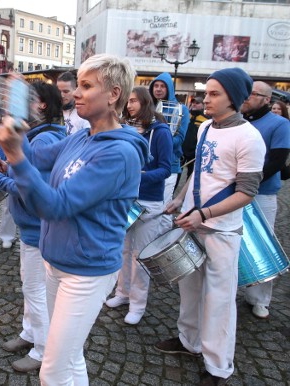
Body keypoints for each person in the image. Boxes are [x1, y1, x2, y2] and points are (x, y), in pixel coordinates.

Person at [0, 55, 149, 384]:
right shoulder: (82, 136)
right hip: (57, 261)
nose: (75, 93)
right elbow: (35, 158)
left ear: (113, 94)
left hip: (87, 271)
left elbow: (56, 205)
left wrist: (15, 155)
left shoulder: (119, 153)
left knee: (52, 370)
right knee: (70, 354)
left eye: (86, 85)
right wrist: (16, 113)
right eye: (77, 85)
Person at [155, 68, 266, 386]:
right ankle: (189, 342)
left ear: (234, 99)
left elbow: (246, 193)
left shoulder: (249, 138)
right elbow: (199, 172)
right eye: (207, 93)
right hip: (193, 221)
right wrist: (180, 199)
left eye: (214, 94)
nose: (206, 99)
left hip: (221, 231)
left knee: (218, 298)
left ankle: (219, 367)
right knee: (188, 290)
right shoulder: (205, 129)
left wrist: (204, 214)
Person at [0, 81, 66, 372]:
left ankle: (43, 350)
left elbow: (31, 187)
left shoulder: (43, 139)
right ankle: (29, 333)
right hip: (30, 225)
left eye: (28, 99)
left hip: (35, 227)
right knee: (29, 285)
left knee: (35, 289)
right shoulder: (39, 135)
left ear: (41, 105)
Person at [106, 86, 172, 325]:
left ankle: (137, 304)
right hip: (127, 199)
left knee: (140, 256)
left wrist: (136, 176)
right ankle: (122, 294)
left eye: (133, 101)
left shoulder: (160, 132)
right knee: (123, 250)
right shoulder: (128, 129)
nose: (129, 105)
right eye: (128, 101)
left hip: (150, 201)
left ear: (145, 103)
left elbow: (166, 168)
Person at [240, 81, 290, 319]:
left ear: (267, 99)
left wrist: (247, 183)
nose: (248, 97)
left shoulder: (279, 124)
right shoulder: (240, 121)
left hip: (262, 193)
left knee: (262, 244)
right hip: (235, 192)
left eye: (254, 94)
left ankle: (260, 299)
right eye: (247, 93)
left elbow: (276, 162)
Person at [149, 73, 189, 227]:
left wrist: (158, 141)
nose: (158, 89)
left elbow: (180, 138)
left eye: (162, 86)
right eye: (156, 86)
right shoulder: (149, 107)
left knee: (164, 207)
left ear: (169, 88)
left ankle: (161, 244)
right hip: (150, 164)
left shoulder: (181, 109)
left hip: (169, 164)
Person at [179, 96, 208, 184]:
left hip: (194, 153)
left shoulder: (206, 119)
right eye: (193, 103)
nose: (194, 104)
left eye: (197, 103)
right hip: (182, 150)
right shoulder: (185, 115)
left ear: (202, 105)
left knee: (191, 175)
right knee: (178, 173)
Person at [56, 71, 90, 135]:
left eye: (66, 92)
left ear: (75, 90)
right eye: (59, 91)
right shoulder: (53, 111)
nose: (62, 95)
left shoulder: (84, 114)